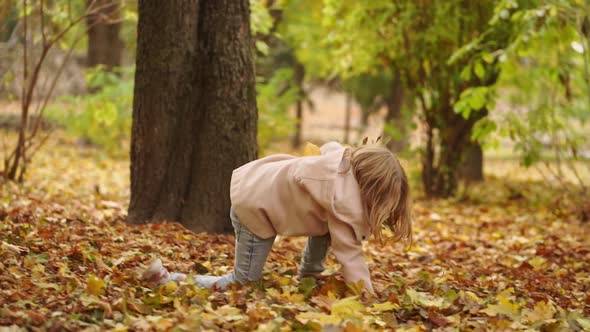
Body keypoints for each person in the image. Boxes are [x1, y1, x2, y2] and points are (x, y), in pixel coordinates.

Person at [142, 141, 412, 294]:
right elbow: (350, 255)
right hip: (255, 207)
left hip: (255, 184)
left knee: (325, 228)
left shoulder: (339, 169)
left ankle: (309, 274)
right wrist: (367, 296)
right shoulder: (344, 204)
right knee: (243, 280)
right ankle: (170, 279)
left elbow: (329, 148)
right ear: (373, 191)